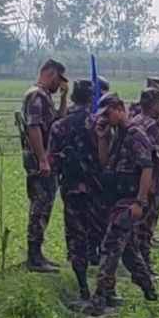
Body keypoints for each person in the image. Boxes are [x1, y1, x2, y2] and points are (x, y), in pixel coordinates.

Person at [86, 92, 158, 316]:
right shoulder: (118, 134)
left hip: (129, 201)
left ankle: (99, 298)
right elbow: (106, 162)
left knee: (109, 247)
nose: (106, 119)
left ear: (119, 109)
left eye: (108, 114)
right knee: (127, 251)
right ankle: (149, 290)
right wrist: (101, 138)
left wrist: (140, 201)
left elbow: (147, 168)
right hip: (117, 200)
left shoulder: (136, 134)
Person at [49, 79, 104, 300]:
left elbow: (52, 160)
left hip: (71, 190)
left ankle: (83, 288)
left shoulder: (59, 126)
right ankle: (107, 290)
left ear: (72, 97)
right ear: (92, 98)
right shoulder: (98, 124)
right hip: (97, 189)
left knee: (76, 238)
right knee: (101, 237)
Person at [20, 59, 67, 273]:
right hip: (39, 160)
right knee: (40, 205)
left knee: (45, 205)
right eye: (59, 79)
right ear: (50, 74)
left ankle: (38, 254)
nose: (60, 85)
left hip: (46, 159)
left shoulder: (45, 96)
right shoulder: (36, 95)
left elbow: (58, 122)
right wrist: (42, 158)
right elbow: (34, 128)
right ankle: (34, 257)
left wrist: (65, 97)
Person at [128, 88, 159, 277]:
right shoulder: (152, 125)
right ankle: (144, 267)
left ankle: (138, 264)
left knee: (138, 226)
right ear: (154, 105)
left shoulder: (134, 121)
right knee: (146, 226)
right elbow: (156, 154)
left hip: (137, 181)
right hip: (153, 181)